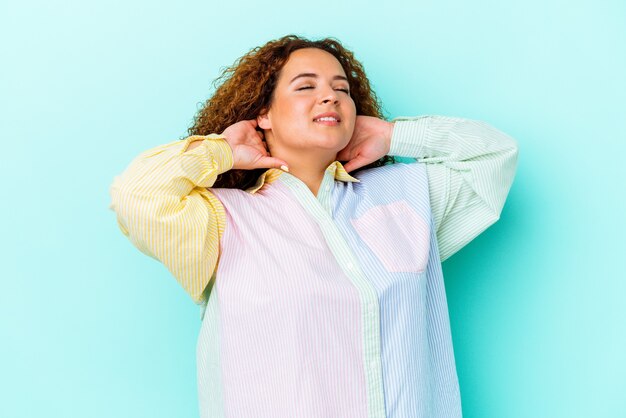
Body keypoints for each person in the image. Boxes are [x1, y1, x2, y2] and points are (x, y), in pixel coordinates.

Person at [109, 34, 519, 418]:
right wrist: (222, 151)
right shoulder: (223, 219)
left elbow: (494, 158)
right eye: (306, 86)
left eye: (342, 90)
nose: (330, 96)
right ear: (263, 114)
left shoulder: (406, 195)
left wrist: (394, 136)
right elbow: (137, 193)